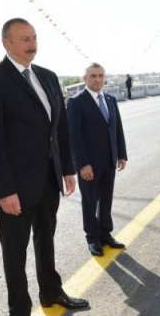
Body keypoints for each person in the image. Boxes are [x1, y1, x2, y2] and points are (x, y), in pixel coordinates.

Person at [0, 18, 88, 316]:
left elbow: (59, 128)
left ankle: (51, 292)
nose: (32, 44)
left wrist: (67, 168)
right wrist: (3, 190)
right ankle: (19, 308)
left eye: (34, 37)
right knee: (15, 251)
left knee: (46, 240)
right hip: (14, 185)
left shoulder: (48, 77)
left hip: (48, 178)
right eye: (24, 39)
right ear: (6, 43)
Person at [67, 63, 128, 257]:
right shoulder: (76, 102)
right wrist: (82, 164)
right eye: (93, 76)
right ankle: (93, 238)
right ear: (85, 79)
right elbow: (74, 136)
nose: (97, 79)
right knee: (90, 201)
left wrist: (121, 154)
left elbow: (117, 128)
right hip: (89, 164)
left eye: (101, 76)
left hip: (109, 160)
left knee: (106, 198)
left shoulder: (110, 99)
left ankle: (105, 233)